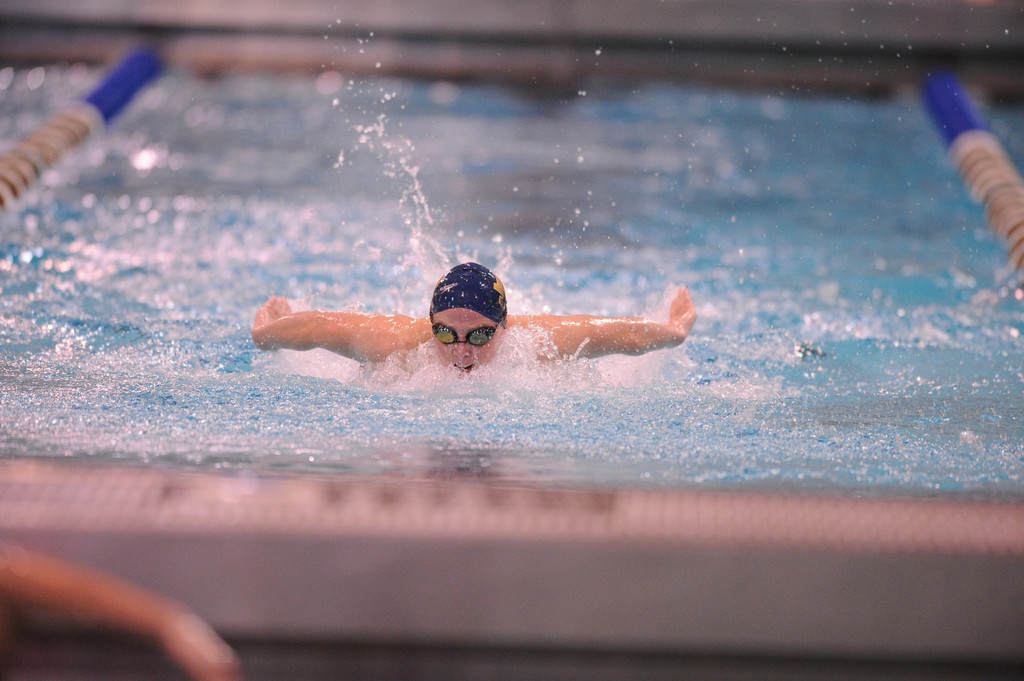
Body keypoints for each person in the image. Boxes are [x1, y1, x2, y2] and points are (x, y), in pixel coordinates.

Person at [252, 262, 697, 373]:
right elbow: (317, 328)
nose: (462, 351)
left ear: (504, 326)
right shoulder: (397, 344)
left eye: (480, 335)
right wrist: (264, 334)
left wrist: (674, 332)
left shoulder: (540, 343)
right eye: (446, 334)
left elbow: (620, 335)